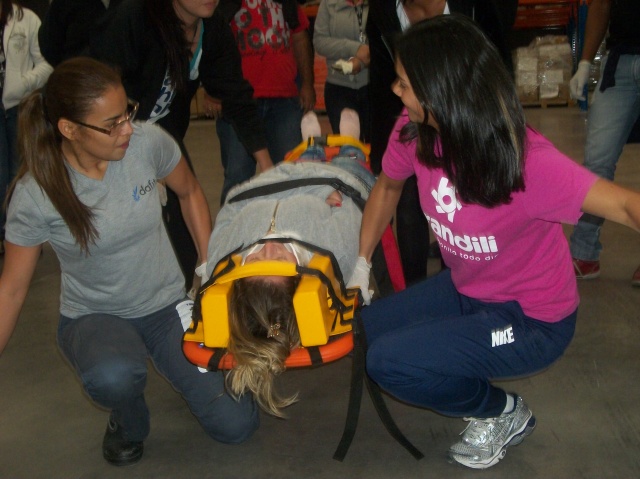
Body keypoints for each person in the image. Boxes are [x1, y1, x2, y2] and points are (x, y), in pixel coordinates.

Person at [347, 15, 640, 470]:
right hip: (468, 287)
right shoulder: (414, 128)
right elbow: (387, 188)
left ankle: (500, 412)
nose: (395, 90)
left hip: (532, 319)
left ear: (439, 91)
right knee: (367, 330)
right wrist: (361, 264)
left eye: (404, 83)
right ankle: (466, 368)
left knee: (389, 363)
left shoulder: (526, 160)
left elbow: (625, 206)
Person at [0, 58, 258, 467]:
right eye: (111, 124)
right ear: (69, 129)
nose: (126, 130)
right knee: (115, 376)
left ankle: (193, 375)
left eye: (127, 113)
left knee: (236, 425)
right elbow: (12, 290)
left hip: (166, 306)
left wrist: (209, 268)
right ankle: (127, 415)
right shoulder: (36, 194)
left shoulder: (146, 143)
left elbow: (190, 192)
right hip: (95, 316)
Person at [90, 0, 274, 291]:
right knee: (125, 238)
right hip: (111, 139)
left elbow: (236, 95)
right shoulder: (135, 17)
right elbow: (99, 88)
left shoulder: (212, 29)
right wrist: (137, 154)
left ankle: (189, 295)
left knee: (183, 241)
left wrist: (265, 163)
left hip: (163, 137)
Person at [203, 109, 375, 417]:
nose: (269, 248)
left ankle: (311, 146)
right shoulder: (332, 251)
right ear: (298, 277)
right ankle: (349, 142)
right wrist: (326, 191)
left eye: (258, 259)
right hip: (329, 182)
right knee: (349, 163)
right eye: (280, 259)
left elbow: (230, 205)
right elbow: (353, 210)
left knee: (305, 157)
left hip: (279, 178)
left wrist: (265, 187)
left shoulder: (225, 253)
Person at [366, 0, 517, 284]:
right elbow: (382, 80)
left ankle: (459, 276)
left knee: (466, 204)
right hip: (415, 115)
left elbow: (498, 63)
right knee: (410, 204)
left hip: (471, 120)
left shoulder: (479, 7)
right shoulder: (382, 9)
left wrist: (502, 128)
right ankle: (416, 287)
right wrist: (381, 148)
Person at [205, 0, 315, 203]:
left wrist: (308, 84)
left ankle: (289, 222)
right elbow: (211, 42)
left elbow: (300, 37)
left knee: (289, 173)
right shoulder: (223, 4)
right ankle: (232, 223)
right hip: (237, 103)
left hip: (284, 101)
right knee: (238, 178)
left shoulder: (287, 2)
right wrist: (211, 91)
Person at [568, 0, 640, 286]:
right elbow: (601, 4)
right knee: (596, 162)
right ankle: (583, 254)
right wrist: (585, 62)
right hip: (620, 62)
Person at [0, 0, 52, 253]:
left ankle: (24, 235)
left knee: (20, 174)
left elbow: (46, 61)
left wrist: (24, 83)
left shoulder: (27, 19)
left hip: (17, 106)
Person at [313, 0, 371, 143]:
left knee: (380, 149)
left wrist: (361, 62)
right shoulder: (328, 4)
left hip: (373, 86)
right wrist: (355, 48)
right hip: (338, 88)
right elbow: (319, 42)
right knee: (348, 149)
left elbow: (385, 39)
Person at [38, 0, 123, 67]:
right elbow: (48, 45)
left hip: (119, 77)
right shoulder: (65, 3)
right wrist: (69, 69)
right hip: (76, 75)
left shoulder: (126, 5)